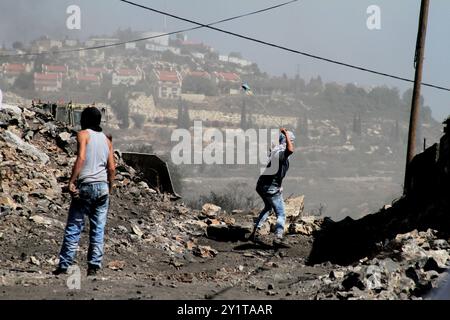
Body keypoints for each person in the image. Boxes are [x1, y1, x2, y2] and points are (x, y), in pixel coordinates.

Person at [53, 107, 115, 276]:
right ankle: (94, 266)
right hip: (102, 187)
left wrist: (72, 181)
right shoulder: (107, 140)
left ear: (85, 119)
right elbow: (111, 167)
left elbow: (81, 157)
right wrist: (110, 187)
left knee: (75, 225)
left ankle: (65, 265)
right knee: (98, 227)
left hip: (86, 185)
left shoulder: (83, 134)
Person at [249, 128, 295, 247]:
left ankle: (255, 233)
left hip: (262, 185)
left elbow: (276, 171)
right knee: (281, 214)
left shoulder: (276, 151)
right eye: (291, 140)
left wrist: (279, 184)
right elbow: (290, 150)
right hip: (270, 188)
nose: (293, 143)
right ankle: (278, 238)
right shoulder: (281, 153)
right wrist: (286, 134)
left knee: (268, 207)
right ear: (287, 141)